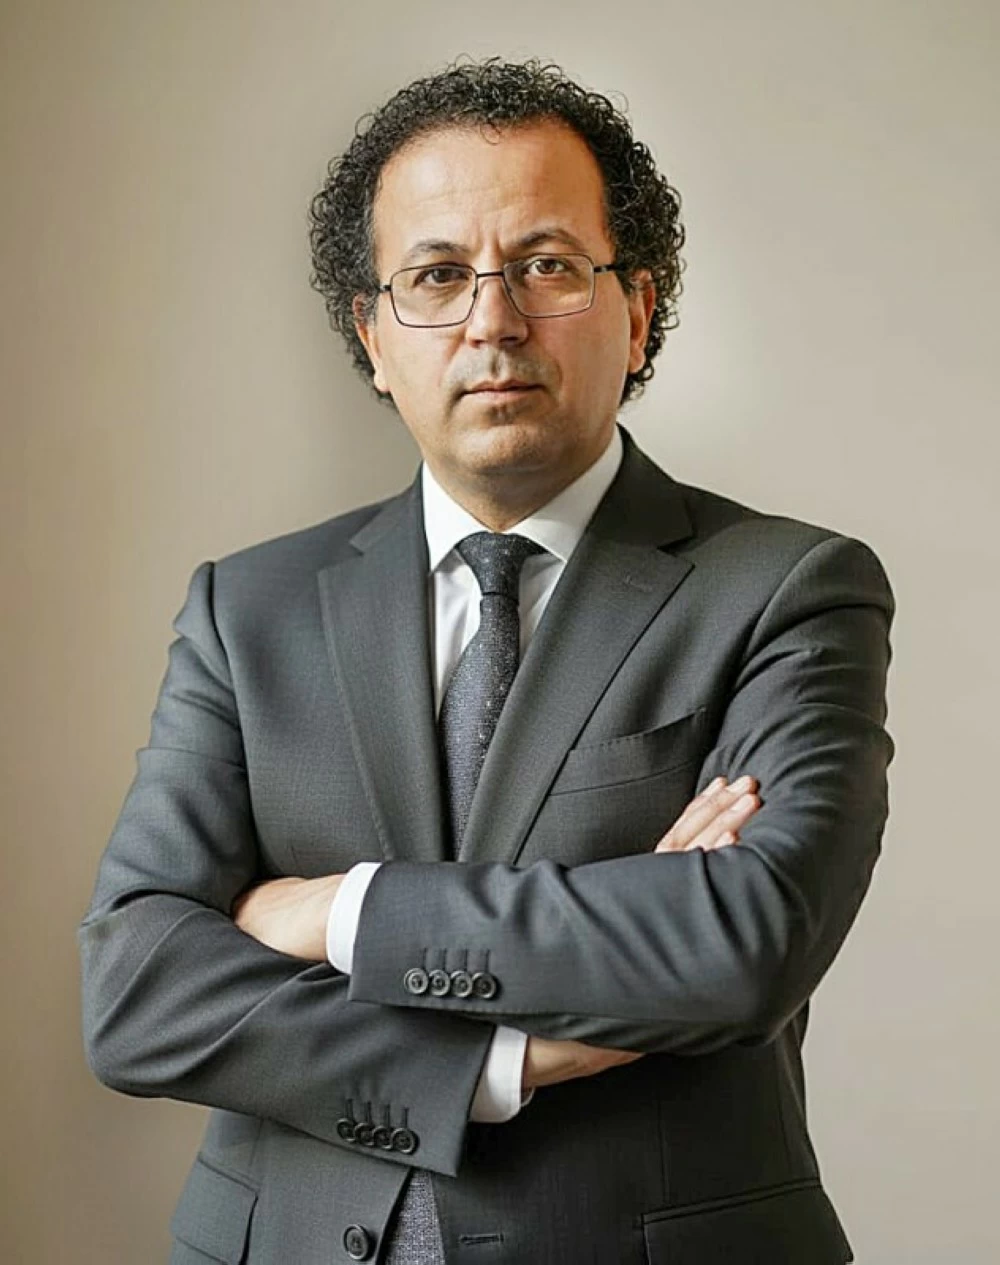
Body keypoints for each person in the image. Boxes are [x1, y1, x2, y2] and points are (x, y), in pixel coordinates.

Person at [79, 56, 895, 1265]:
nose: (492, 320)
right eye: (437, 276)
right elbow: (137, 988)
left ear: (638, 309)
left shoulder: (787, 587)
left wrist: (333, 909)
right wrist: (505, 1060)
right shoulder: (246, 609)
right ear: (373, 335)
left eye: (547, 265)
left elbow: (744, 935)